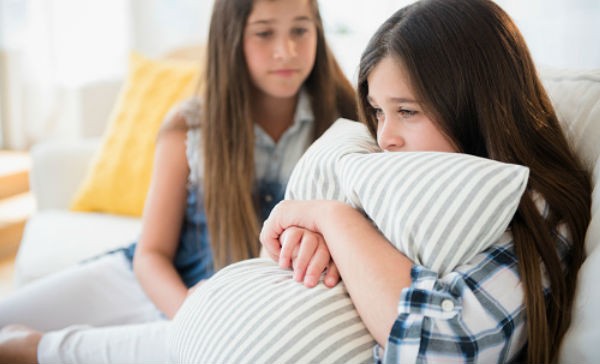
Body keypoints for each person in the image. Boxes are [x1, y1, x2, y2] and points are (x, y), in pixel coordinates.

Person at [0, 0, 356, 362]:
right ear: (230, 39)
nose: (287, 51)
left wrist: (197, 324)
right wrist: (187, 310)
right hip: (156, 285)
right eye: (264, 33)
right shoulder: (190, 126)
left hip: (227, 314)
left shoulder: (346, 123)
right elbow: (150, 255)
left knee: (29, 351)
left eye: (300, 29)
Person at [260, 0, 591, 362]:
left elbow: (443, 348)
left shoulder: (535, 211)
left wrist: (334, 219)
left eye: (406, 111)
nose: (386, 137)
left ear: (476, 107)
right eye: (377, 111)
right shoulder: (383, 180)